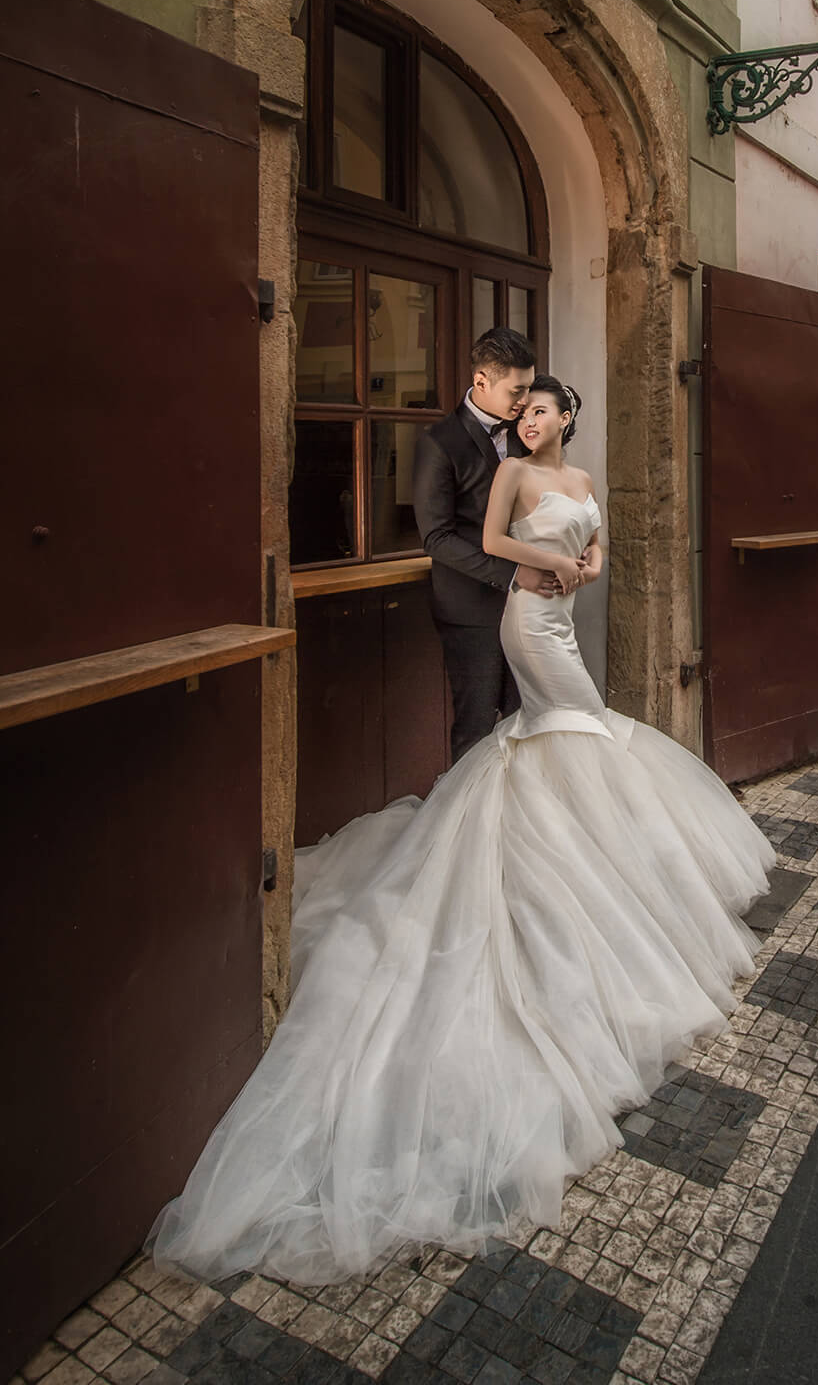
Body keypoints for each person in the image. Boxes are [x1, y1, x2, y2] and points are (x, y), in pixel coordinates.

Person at [149, 379, 775, 1285]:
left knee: (571, 736)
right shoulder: (516, 473)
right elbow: (486, 542)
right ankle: (568, 859)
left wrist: (585, 567)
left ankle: (585, 858)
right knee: (578, 726)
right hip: (530, 617)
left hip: (562, 607)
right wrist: (540, 565)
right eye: (524, 410)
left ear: (569, 419)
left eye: (544, 410)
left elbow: (598, 543)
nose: (531, 419)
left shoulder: (587, 473)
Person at [411, 327, 559, 767]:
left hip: (529, 608)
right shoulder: (439, 443)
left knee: (529, 722)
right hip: (470, 610)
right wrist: (514, 574)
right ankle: (465, 831)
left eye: (529, 388)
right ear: (481, 382)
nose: (524, 401)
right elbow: (436, 537)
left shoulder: (524, 434)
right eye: (517, 390)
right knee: (476, 730)